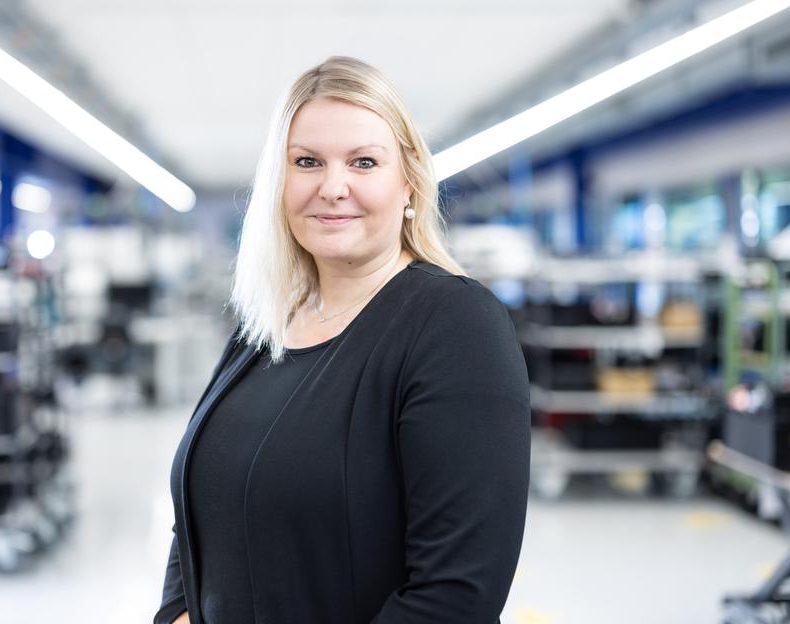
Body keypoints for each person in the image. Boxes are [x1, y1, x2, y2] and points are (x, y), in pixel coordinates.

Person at [154, 55, 530, 624]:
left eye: (363, 162)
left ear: (408, 183)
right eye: (306, 162)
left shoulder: (456, 327)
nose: (333, 187)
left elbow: (454, 598)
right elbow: (201, 515)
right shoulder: (264, 327)